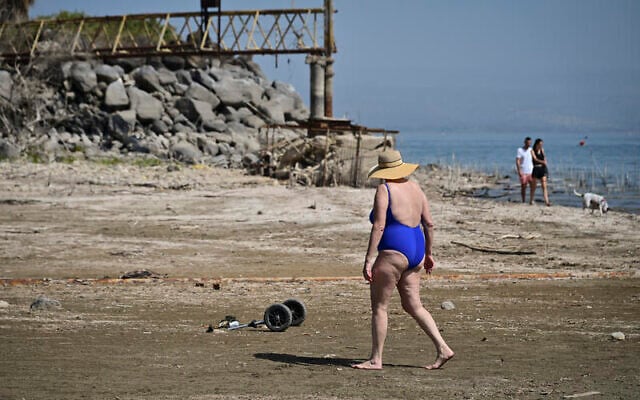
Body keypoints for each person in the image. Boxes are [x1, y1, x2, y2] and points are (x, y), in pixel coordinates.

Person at [351, 149, 454, 371]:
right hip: (416, 249)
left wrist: (369, 259)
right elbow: (429, 223)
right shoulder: (416, 188)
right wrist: (428, 253)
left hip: (394, 251)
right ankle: (443, 347)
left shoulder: (384, 189)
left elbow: (378, 225)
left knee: (380, 306)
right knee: (413, 305)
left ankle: (376, 359)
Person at [531, 138, 551, 206]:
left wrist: (545, 161)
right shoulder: (532, 151)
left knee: (544, 185)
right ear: (537, 144)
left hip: (542, 168)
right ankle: (531, 200)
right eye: (540, 144)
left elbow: (544, 157)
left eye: (542, 144)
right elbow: (535, 159)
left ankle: (547, 201)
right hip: (536, 168)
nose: (541, 145)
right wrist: (542, 161)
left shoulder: (542, 150)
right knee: (534, 186)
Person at [516, 136, 534, 204]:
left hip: (531, 171)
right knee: (523, 186)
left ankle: (531, 200)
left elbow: (534, 159)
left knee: (532, 186)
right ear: (525, 142)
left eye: (530, 143)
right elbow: (517, 160)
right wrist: (519, 170)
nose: (528, 144)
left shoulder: (531, 150)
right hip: (523, 171)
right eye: (527, 143)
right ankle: (523, 200)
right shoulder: (520, 150)